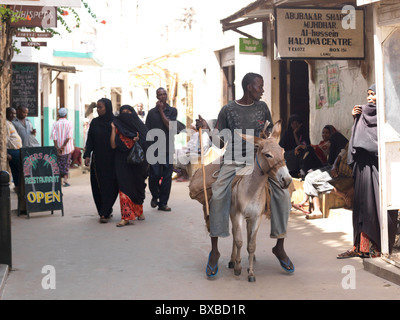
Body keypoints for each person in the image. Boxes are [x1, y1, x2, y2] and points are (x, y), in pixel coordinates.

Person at [196, 72, 294, 278]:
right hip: (234, 160)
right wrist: (206, 130)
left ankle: (280, 245)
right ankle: (214, 251)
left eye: (263, 86)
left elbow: (269, 136)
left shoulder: (262, 107)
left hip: (261, 159)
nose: (262, 90)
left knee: (284, 192)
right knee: (218, 193)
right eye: (259, 86)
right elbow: (220, 143)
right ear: (249, 87)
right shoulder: (228, 110)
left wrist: (267, 141)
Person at [337, 84, 398, 258]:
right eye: (368, 95)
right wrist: (355, 119)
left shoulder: (389, 116)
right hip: (364, 169)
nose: (370, 98)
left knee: (378, 207)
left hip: (381, 168)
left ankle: (378, 247)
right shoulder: (362, 116)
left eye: (374, 95)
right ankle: (360, 246)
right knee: (362, 208)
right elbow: (356, 142)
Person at [110, 105, 149, 227]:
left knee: (138, 186)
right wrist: (112, 129)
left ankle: (138, 211)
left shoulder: (140, 126)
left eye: (128, 112)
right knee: (124, 187)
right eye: (123, 112)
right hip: (122, 161)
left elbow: (147, 143)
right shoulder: (116, 125)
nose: (126, 115)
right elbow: (113, 146)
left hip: (137, 162)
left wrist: (137, 140)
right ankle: (126, 217)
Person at [293, 143, 354, 219]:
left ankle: (341, 194)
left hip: (345, 174)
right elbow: (340, 155)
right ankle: (315, 208)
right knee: (308, 176)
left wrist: (352, 188)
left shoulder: (362, 146)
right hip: (336, 168)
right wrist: (334, 166)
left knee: (313, 180)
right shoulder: (350, 142)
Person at [84, 98, 119, 223]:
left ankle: (106, 209)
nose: (98, 110)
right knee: (97, 185)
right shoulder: (95, 122)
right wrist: (87, 154)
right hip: (97, 160)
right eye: (97, 107)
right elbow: (90, 139)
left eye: (100, 107)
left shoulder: (115, 121)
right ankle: (103, 211)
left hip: (113, 160)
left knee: (111, 185)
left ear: (107, 108)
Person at [145, 88, 177, 211]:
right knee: (154, 175)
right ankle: (155, 196)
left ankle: (163, 203)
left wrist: (161, 111)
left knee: (167, 177)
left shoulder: (172, 111)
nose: (163, 96)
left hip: (168, 148)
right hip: (154, 149)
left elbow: (170, 127)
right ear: (157, 97)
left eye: (164, 94)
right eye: (160, 94)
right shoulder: (151, 113)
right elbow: (147, 131)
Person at [50, 108, 75, 187]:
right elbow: (69, 136)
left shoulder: (55, 124)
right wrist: (63, 147)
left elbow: (54, 137)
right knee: (66, 163)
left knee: (58, 164)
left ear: (58, 115)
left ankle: (60, 181)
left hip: (58, 149)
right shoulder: (69, 123)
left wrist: (57, 147)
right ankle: (65, 180)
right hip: (67, 148)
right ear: (66, 115)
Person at [6, 107, 22, 191]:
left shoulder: (10, 123)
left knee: (16, 170)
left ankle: (18, 187)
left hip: (16, 150)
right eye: (11, 113)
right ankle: (19, 187)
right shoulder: (6, 124)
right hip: (12, 151)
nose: (13, 115)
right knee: (19, 169)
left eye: (14, 113)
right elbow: (4, 140)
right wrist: (6, 153)